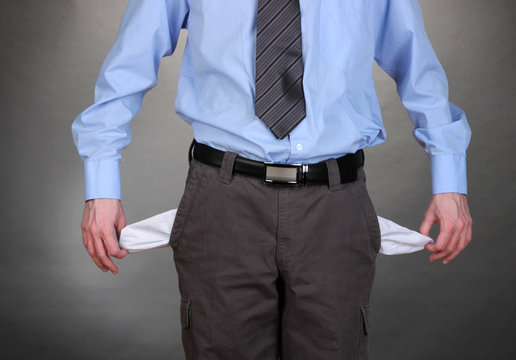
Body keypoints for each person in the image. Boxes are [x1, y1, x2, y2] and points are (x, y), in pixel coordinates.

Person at [72, 0, 472, 359]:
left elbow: (416, 63)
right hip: (223, 202)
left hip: (334, 206)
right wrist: (102, 185)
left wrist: (449, 178)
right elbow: (129, 64)